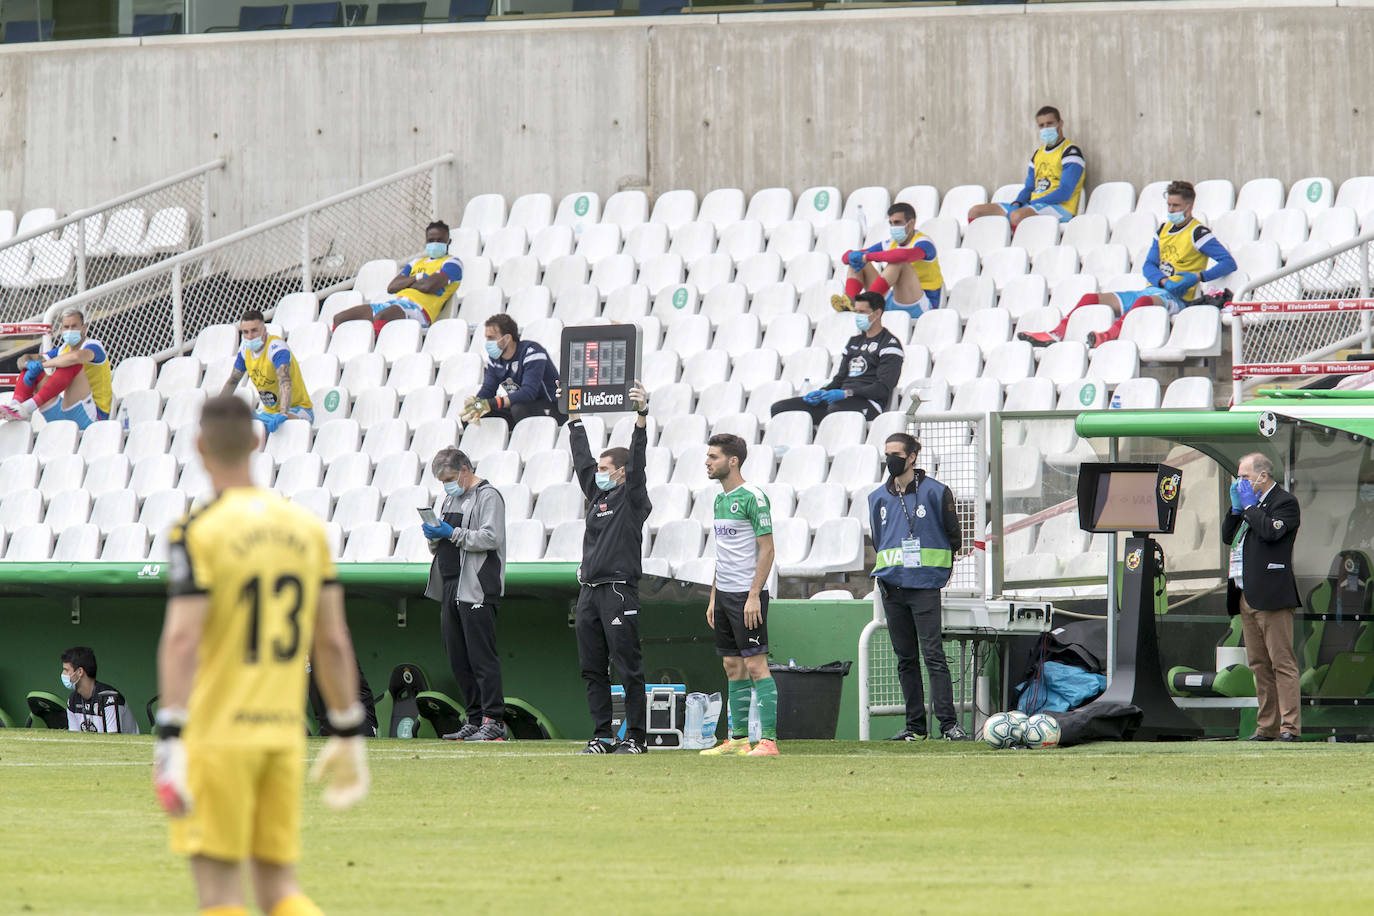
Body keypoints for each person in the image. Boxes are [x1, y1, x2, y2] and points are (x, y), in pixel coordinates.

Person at [153, 395, 369, 916]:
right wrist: (346, 730)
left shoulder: (196, 529)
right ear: (257, 440)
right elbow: (334, 639)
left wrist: (169, 737)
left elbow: (183, 638)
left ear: (199, 447)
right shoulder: (306, 528)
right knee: (281, 892)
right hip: (281, 734)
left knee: (221, 898)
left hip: (217, 736)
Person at [1019, 180, 1236, 348]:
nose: (1171, 210)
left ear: (1189, 206)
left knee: (1143, 300)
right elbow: (1148, 265)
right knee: (1090, 297)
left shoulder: (1198, 232)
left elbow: (1228, 262)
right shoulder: (1163, 230)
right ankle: (1055, 333)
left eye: (1176, 206)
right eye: (1169, 205)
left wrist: (1198, 277)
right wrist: (1161, 280)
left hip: (1178, 299)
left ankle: (1108, 335)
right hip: (1156, 289)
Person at [567, 381, 652, 755]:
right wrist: (574, 420)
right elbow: (582, 460)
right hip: (589, 591)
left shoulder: (632, 498)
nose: (598, 473)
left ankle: (635, 736)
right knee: (592, 668)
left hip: (619, 589)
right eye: (598, 468)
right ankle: (602, 734)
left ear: (621, 472)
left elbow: (639, 459)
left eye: (606, 468)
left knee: (627, 666)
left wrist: (641, 418)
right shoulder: (597, 495)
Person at [868, 433, 969, 741]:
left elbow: (955, 539)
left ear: (912, 456)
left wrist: (938, 573)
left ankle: (949, 725)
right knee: (905, 659)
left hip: (925, 586)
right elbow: (878, 540)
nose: (890, 460)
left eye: (896, 454)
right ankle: (916, 728)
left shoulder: (937, 492)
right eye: (886, 454)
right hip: (891, 588)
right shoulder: (877, 498)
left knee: (933, 656)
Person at [698, 434, 780, 758]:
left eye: (713, 457)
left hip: (748, 597)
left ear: (732, 461)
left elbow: (768, 550)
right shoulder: (719, 500)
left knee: (756, 665)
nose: (707, 462)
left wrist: (753, 596)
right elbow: (724, 554)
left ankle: (769, 741)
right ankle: (738, 740)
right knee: (732, 665)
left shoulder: (753, 497)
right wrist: (714, 596)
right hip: (725, 596)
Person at [421, 447, 508, 742]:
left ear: (465, 470)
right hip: (450, 584)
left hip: (477, 586)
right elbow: (447, 539)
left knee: (481, 657)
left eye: (448, 477)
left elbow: (491, 537)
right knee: (458, 657)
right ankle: (473, 719)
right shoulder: (449, 497)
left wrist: (451, 533)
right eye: (441, 480)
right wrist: (435, 537)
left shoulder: (488, 496)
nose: (445, 484)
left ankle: (493, 721)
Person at [1223, 452, 1303, 742]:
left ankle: (1290, 727)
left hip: (1271, 595)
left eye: (1244, 477)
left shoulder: (1284, 503)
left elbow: (1271, 532)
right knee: (1258, 664)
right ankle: (1266, 726)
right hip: (1246, 593)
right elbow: (1226, 536)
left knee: (1282, 662)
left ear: (1263, 476)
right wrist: (1236, 509)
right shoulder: (1247, 506)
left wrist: (1249, 507)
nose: (1240, 482)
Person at [770, 291, 903, 423]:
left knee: (834, 410)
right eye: (856, 312)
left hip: (868, 403)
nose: (858, 316)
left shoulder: (889, 345)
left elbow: (882, 388)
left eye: (862, 312)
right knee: (780, 408)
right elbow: (839, 379)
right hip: (841, 400)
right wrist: (822, 392)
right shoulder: (854, 342)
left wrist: (847, 393)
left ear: (877, 313)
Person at [331, 220, 462, 333]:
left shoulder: (452, 263)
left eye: (439, 240)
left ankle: (375, 352)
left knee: (382, 317)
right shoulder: (416, 262)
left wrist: (408, 282)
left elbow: (428, 286)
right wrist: (419, 277)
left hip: (420, 311)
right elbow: (392, 287)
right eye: (431, 240)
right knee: (340, 318)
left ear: (448, 241)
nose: (435, 243)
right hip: (395, 304)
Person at [967, 105, 1085, 227]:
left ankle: (1015, 244)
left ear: (1060, 123)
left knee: (1017, 216)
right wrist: (1018, 202)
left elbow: (1064, 192)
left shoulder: (1070, 152)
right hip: (1032, 205)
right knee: (976, 212)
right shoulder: (1038, 154)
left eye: (1050, 124)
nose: (1046, 128)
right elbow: (1029, 187)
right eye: (1042, 125)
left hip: (1060, 208)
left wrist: (1031, 203)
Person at [0, 307, 112, 427]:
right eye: (66, 327)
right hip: (65, 410)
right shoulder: (62, 350)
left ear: (83, 328)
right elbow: (22, 360)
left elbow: (75, 358)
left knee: (71, 364)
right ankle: (14, 407)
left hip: (94, 417)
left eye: (74, 326)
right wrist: (28, 364)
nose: (70, 330)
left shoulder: (94, 346)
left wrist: (42, 365)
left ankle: (27, 408)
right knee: (31, 369)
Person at [830, 202, 944, 317]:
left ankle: (867, 302)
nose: (894, 227)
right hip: (894, 297)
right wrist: (852, 256)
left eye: (898, 223)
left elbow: (903, 256)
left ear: (911, 223)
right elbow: (849, 257)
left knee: (899, 263)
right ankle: (851, 302)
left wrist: (867, 257)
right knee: (858, 261)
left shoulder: (924, 243)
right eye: (891, 223)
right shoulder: (891, 243)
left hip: (921, 305)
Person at [220, 308, 314, 434]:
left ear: (264, 330)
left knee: (282, 422)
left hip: (297, 410)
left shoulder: (276, 348)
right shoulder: (244, 351)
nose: (250, 336)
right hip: (269, 412)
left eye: (254, 331)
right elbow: (233, 380)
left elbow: (284, 380)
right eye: (245, 332)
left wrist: (283, 413)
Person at [461, 313, 561, 426]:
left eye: (491, 338)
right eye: (486, 338)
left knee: (518, 409)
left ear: (507, 338)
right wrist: (477, 405)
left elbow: (528, 393)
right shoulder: (495, 359)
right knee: (469, 415)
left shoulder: (532, 352)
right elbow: (488, 389)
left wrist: (493, 403)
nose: (487, 342)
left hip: (552, 406)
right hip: (520, 407)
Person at [60, 646, 140, 734]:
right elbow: (74, 738)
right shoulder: (73, 700)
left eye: (66, 670)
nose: (63, 674)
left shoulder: (109, 698)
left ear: (80, 672)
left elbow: (113, 739)